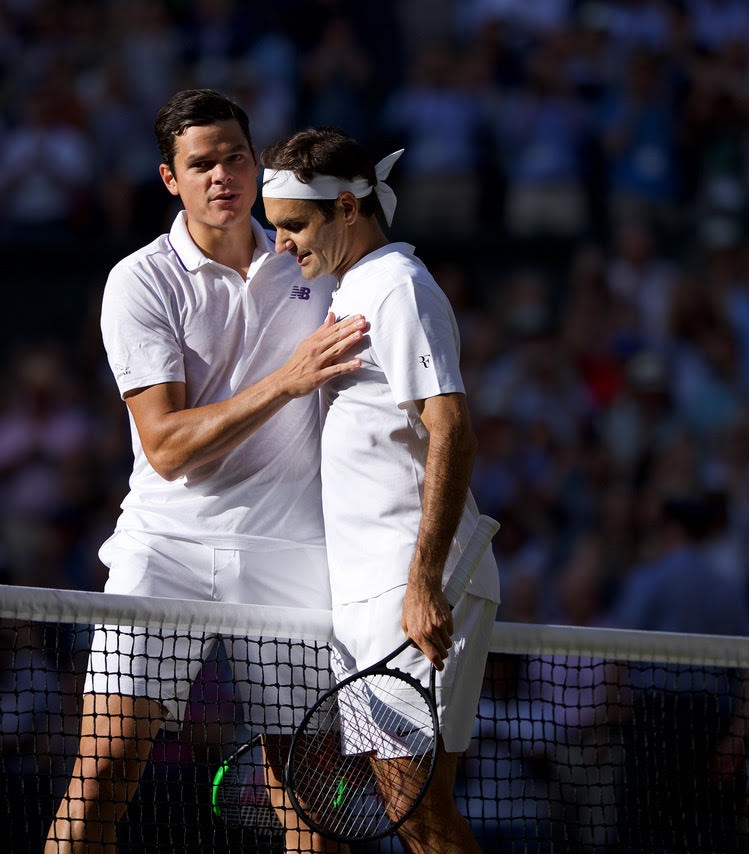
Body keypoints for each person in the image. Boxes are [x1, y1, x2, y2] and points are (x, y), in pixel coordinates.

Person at [44, 90, 365, 854]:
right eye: (201, 163)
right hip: (168, 549)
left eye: (235, 157)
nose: (222, 175)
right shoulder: (141, 281)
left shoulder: (314, 260)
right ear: (169, 178)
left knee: (311, 812)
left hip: (292, 556)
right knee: (101, 778)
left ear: (258, 165)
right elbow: (166, 445)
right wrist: (288, 380)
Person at [260, 127, 500, 853]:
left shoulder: (398, 286)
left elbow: (452, 425)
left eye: (294, 227)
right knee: (416, 813)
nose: (283, 247)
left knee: (417, 812)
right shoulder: (351, 290)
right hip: (375, 591)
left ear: (346, 208)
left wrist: (423, 581)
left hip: (413, 584)